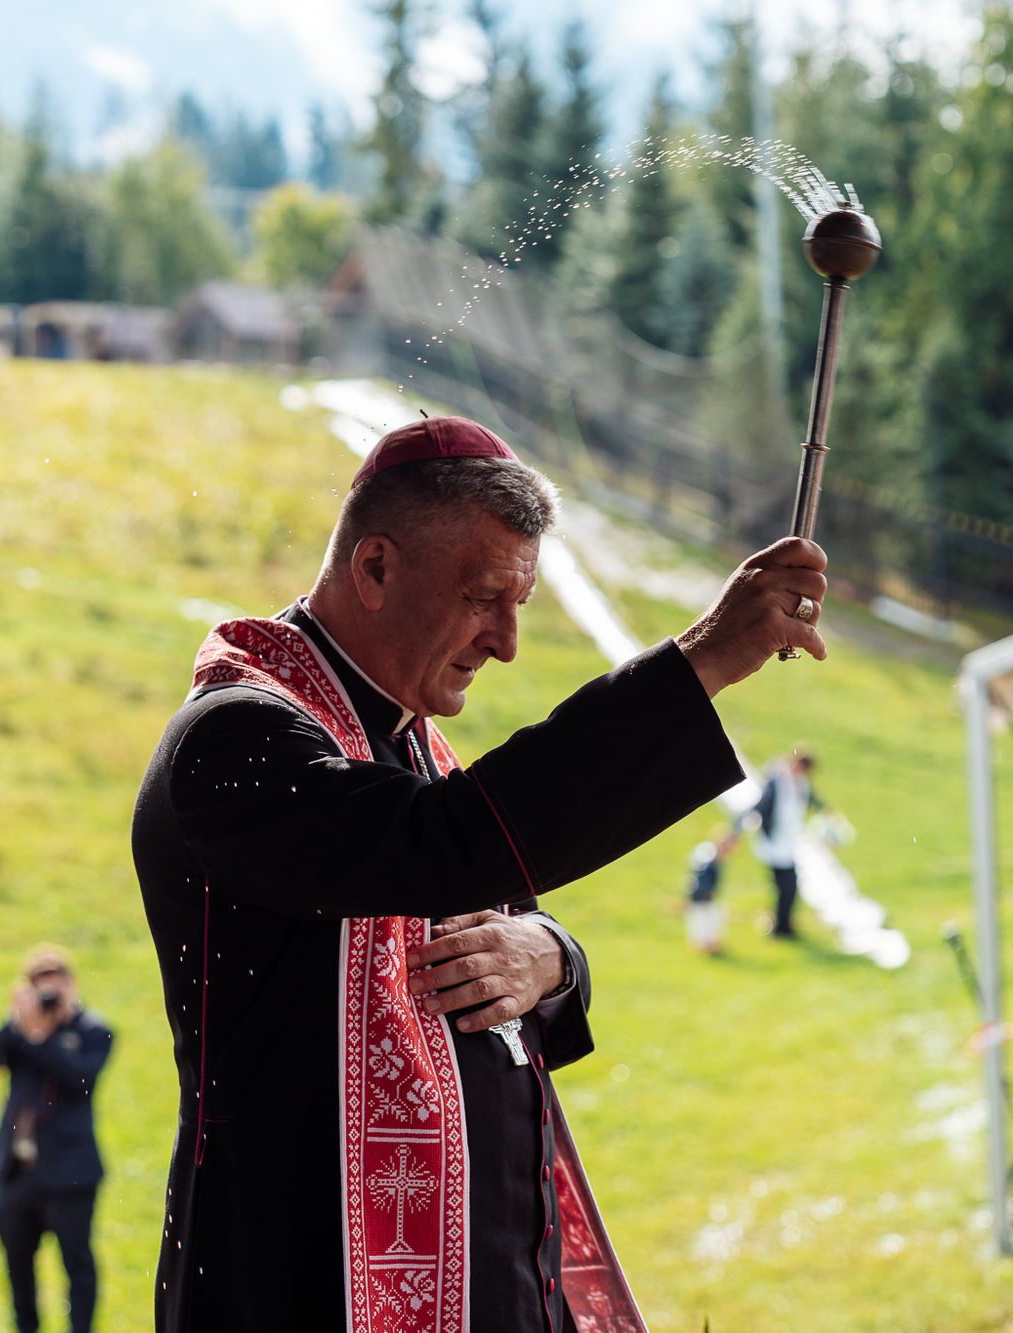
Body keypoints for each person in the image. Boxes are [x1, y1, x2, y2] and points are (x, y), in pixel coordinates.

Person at [131, 415, 829, 1331]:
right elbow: (436, 848)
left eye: (520, 603)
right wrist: (699, 664)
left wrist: (553, 956)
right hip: (299, 1282)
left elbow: (508, 919)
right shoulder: (235, 737)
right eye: (482, 597)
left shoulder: (414, 747)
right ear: (375, 567)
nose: (506, 641)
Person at [0, 944, 115, 1333]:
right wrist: (17, 1020)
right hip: (17, 1170)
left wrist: (44, 1038)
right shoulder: (20, 1029)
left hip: (70, 1172)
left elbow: (80, 1081)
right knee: (17, 1264)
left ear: (73, 985)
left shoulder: (93, 1031)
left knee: (77, 1262)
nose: (49, 997)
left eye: (56, 987)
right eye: (41, 988)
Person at [746, 747, 822, 939]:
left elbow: (810, 798)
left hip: (789, 841)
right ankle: (781, 926)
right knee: (787, 887)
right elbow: (762, 805)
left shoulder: (801, 782)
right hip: (775, 842)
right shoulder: (777, 780)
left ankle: (784, 923)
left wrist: (824, 809)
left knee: (788, 887)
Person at [684, 829, 739, 955]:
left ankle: (710, 945)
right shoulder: (709, 856)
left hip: (704, 894)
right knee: (704, 921)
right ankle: (706, 945)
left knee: (712, 919)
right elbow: (701, 876)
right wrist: (705, 892)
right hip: (702, 895)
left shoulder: (712, 855)